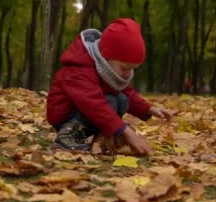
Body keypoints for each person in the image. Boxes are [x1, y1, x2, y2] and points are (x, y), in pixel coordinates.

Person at [46, 18, 173, 154]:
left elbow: (127, 93)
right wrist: (125, 130)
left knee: (122, 99)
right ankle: (68, 137)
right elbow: (94, 104)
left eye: (132, 69)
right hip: (66, 117)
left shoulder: (107, 68)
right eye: (124, 68)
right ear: (105, 57)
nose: (128, 73)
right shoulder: (80, 69)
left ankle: (103, 135)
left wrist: (149, 108)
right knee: (110, 101)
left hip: (88, 112)